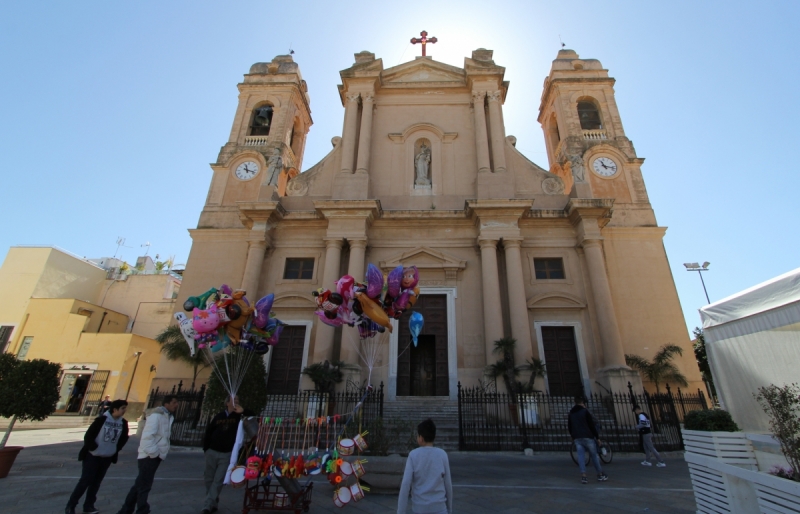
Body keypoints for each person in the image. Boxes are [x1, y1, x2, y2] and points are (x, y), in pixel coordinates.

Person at [116, 395, 179, 514]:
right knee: (144, 485)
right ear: (166, 403)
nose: (176, 405)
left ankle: (126, 509)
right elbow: (147, 437)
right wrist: (155, 453)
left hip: (154, 455)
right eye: (174, 402)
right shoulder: (156, 416)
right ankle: (142, 510)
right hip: (149, 456)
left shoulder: (167, 416)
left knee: (139, 484)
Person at [65, 399, 130, 514]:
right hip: (93, 456)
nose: (125, 411)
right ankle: (71, 505)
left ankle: (89, 506)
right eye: (122, 408)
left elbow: (124, 437)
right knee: (85, 481)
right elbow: (89, 436)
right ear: (115, 409)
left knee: (96, 483)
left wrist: (115, 449)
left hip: (107, 457)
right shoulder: (102, 420)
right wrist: (93, 448)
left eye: (125, 408)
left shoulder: (123, 423)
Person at [200, 395, 254, 514]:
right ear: (227, 403)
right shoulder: (219, 416)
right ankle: (213, 501)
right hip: (212, 451)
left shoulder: (239, 416)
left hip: (227, 454)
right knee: (208, 478)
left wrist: (243, 411)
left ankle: (207, 505)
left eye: (238, 400)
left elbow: (253, 416)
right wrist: (206, 449)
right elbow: (209, 431)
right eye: (234, 400)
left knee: (218, 479)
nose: (237, 401)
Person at [397, 418, 453, 514]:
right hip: (439, 507)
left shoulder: (413, 455)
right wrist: (449, 509)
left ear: (421, 438)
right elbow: (448, 484)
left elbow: (406, 484)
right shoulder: (442, 454)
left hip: (420, 508)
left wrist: (401, 511)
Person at [568, 395, 608, 484]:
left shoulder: (571, 413)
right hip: (587, 436)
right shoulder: (585, 411)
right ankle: (600, 474)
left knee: (581, 456)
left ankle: (584, 476)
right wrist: (597, 437)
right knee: (594, 456)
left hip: (577, 438)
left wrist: (572, 435)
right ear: (582, 403)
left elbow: (570, 426)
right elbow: (591, 425)